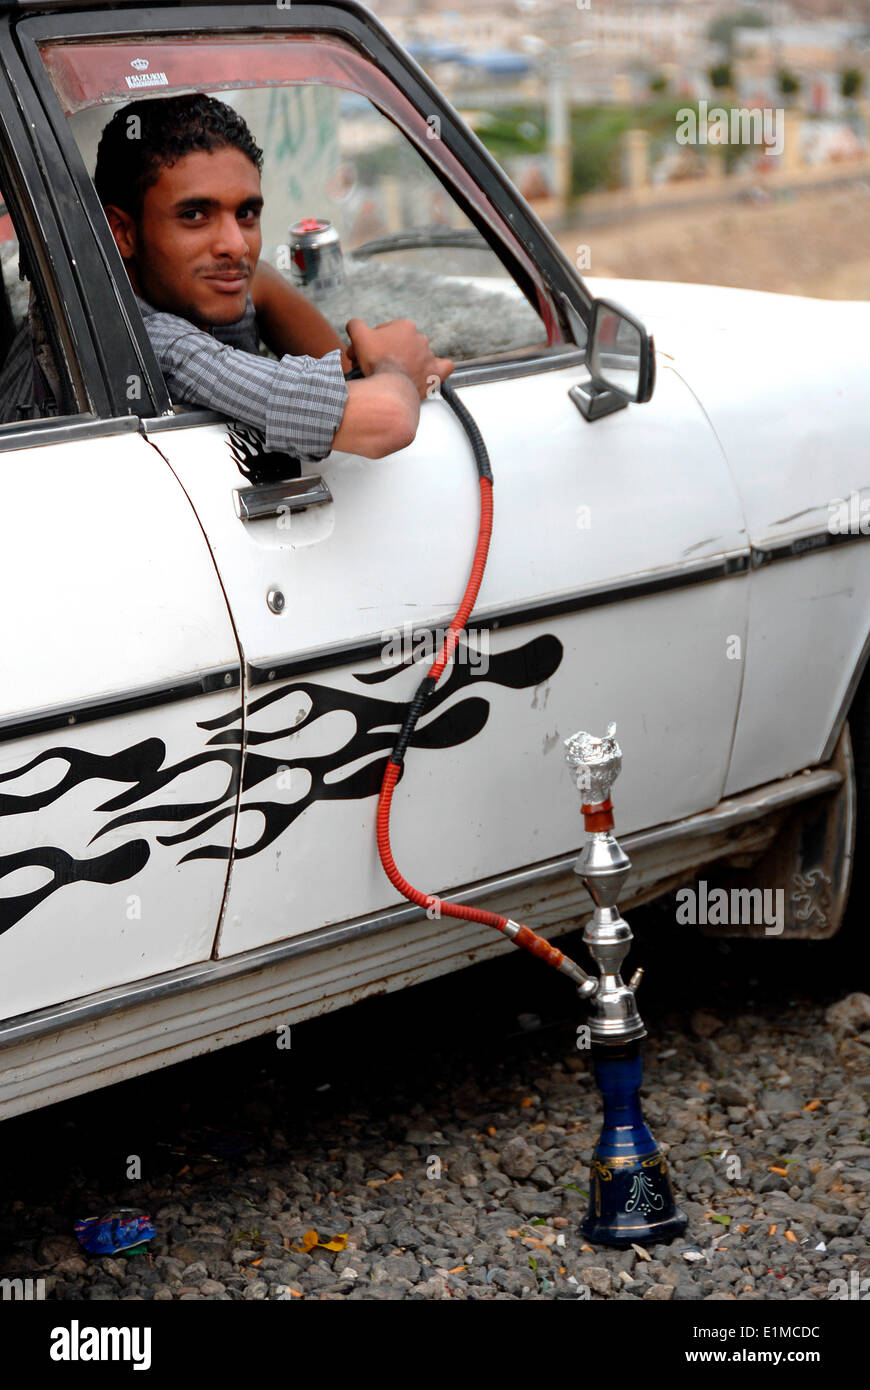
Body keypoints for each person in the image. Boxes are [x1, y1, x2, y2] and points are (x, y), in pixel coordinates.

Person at [93, 93, 453, 460]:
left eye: (246, 213)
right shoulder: (155, 343)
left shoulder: (202, 289)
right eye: (195, 215)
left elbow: (335, 364)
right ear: (123, 233)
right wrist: (394, 365)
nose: (236, 246)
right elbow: (388, 419)